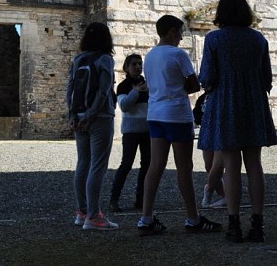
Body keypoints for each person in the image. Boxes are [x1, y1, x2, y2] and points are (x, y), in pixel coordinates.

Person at [197, 0, 277, 243]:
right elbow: (267, 80)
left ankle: (234, 224)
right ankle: (258, 224)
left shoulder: (214, 39)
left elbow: (207, 77)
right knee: (255, 164)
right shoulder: (258, 39)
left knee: (231, 166)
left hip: (225, 103)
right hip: (254, 104)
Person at [136, 15, 222, 235]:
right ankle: (193, 218)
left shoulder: (150, 55)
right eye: (181, 32)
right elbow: (194, 85)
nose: (182, 36)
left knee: (155, 165)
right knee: (184, 167)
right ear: (172, 31)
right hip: (177, 114)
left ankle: (146, 217)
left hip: (155, 114)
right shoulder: (178, 54)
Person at [66, 22, 119, 231]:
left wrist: (73, 114)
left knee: (83, 163)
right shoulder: (105, 59)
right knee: (97, 165)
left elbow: (70, 87)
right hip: (100, 117)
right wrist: (91, 114)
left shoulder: (79, 59)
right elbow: (104, 91)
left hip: (79, 116)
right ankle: (94, 216)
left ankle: (82, 212)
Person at [109, 54, 151, 212]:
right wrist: (135, 92)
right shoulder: (122, 86)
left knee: (146, 166)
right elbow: (124, 106)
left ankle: (141, 200)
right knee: (126, 164)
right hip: (131, 131)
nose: (137, 67)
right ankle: (114, 199)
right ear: (126, 67)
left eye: (140, 64)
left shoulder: (148, 84)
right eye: (134, 64)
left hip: (147, 131)